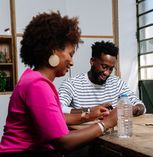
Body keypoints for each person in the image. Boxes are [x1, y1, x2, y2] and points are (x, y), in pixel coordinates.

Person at [0, 11, 117, 157]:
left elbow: (57, 117)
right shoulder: (37, 85)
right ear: (53, 51)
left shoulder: (34, 79)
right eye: (70, 54)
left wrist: (88, 115)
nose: (72, 62)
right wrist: (107, 123)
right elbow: (63, 143)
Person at [59, 41, 145, 124]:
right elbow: (60, 108)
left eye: (111, 69)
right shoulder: (72, 84)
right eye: (104, 67)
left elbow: (141, 106)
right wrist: (90, 111)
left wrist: (132, 109)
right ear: (92, 61)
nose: (107, 73)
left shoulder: (117, 83)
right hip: (86, 137)